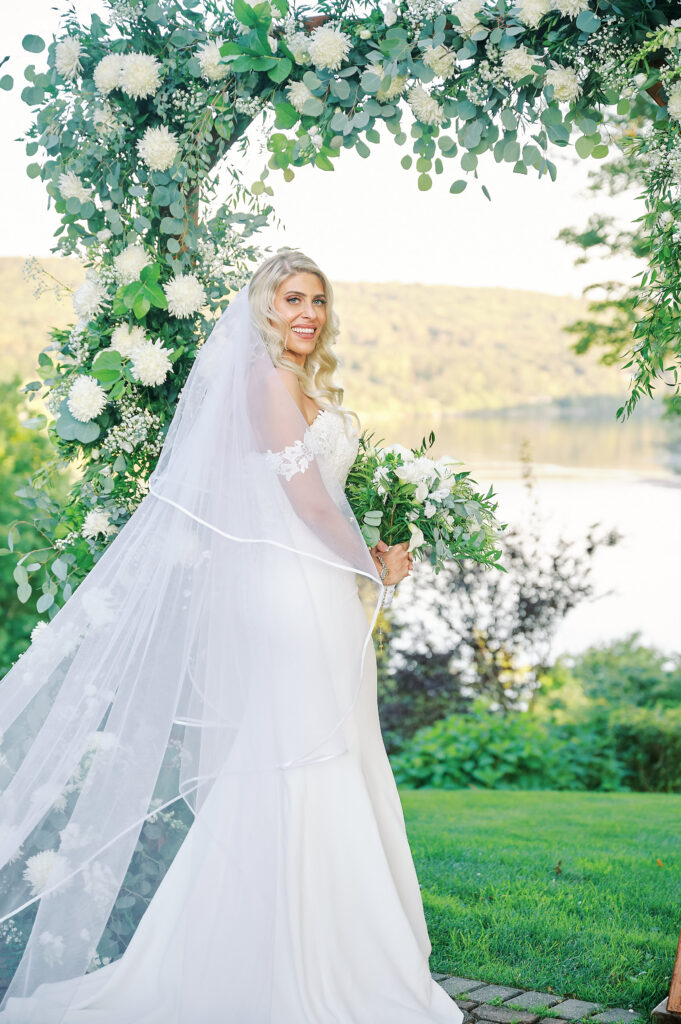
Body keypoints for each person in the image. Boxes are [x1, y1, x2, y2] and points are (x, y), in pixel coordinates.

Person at [0, 250, 463, 1023]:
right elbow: (311, 505)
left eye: (317, 299)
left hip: (313, 588)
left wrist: (365, 562)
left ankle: (283, 947)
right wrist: (377, 565)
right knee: (307, 758)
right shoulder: (266, 384)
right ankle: (311, 966)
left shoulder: (293, 386)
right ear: (264, 308)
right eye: (291, 298)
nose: (307, 312)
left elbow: (319, 503)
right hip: (293, 594)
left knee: (305, 757)